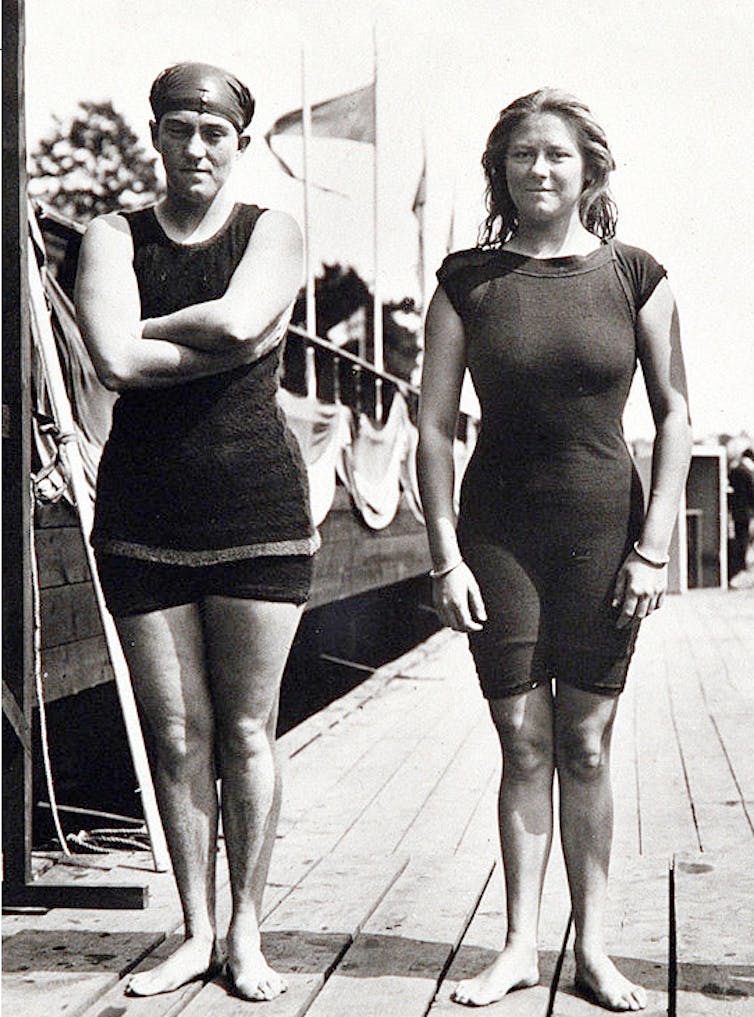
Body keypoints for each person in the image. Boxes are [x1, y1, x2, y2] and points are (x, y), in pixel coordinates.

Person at [417, 88, 691, 1012]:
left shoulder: (636, 275)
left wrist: (654, 548)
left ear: (590, 170)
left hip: (604, 533)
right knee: (520, 738)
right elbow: (432, 427)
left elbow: (675, 415)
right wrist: (444, 554)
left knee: (583, 738)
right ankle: (518, 945)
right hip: (499, 534)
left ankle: (597, 949)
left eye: (558, 156)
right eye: (523, 154)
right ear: (500, 168)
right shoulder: (467, 281)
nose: (540, 169)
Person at [75, 62, 319, 1002]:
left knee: (249, 730)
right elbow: (109, 357)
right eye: (180, 129)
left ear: (239, 144)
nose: (198, 148)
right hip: (141, 513)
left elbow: (242, 313)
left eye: (215, 133)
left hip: (257, 507)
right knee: (178, 737)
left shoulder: (273, 231)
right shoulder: (110, 234)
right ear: (157, 135)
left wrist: (155, 331)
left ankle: (247, 934)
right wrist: (212, 339)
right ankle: (194, 928)